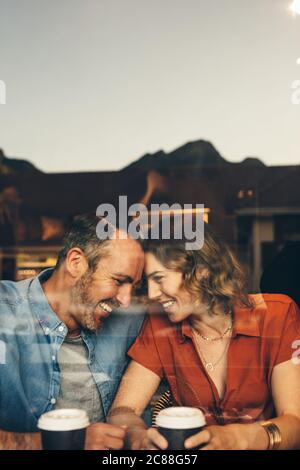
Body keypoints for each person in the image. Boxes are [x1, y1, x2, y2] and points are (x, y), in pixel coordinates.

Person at [108, 219, 300, 450]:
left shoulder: (277, 314)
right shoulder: (159, 324)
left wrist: (236, 439)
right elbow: (123, 410)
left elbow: (295, 423)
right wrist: (137, 436)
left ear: (201, 271)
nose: (152, 293)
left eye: (159, 279)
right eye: (147, 282)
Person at [0, 213, 144, 450]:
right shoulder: (5, 312)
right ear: (76, 262)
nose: (126, 301)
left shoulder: (127, 322)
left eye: (133, 287)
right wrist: (67, 443)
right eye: (119, 281)